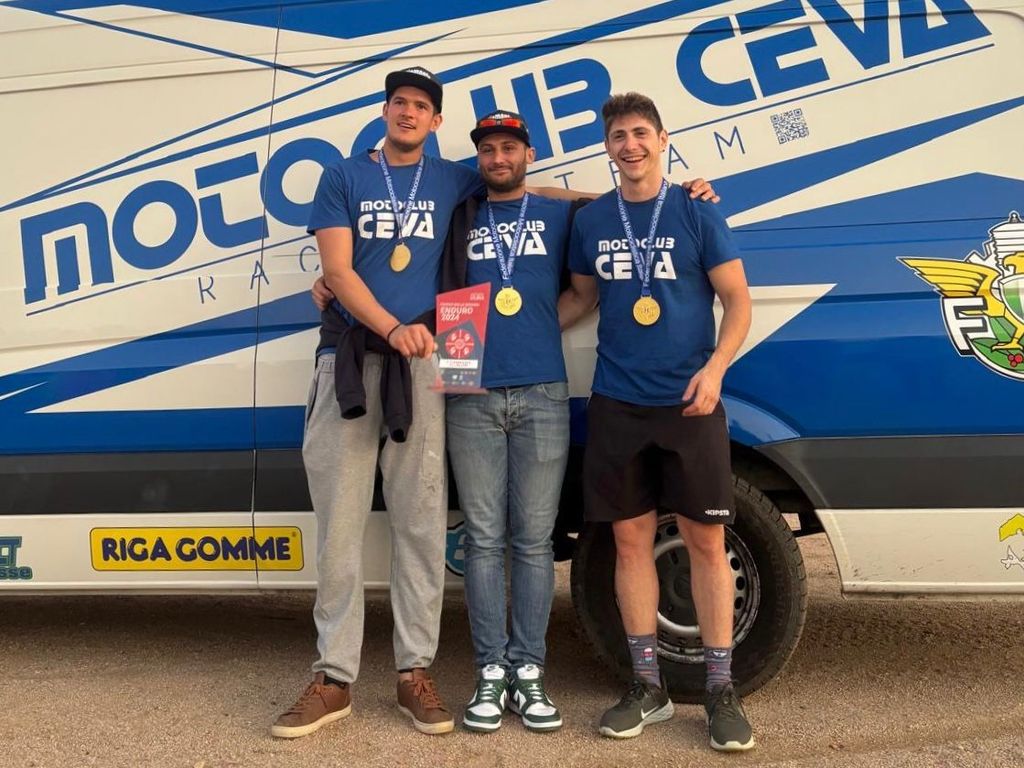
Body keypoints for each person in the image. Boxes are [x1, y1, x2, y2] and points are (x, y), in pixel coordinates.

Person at [307, 106, 718, 736]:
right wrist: (329, 279)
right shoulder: (456, 211)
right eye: (488, 150)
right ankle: (489, 672)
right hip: (468, 389)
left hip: (544, 391)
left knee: (532, 542)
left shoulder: (557, 215)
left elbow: (603, 229)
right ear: (477, 161)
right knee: (482, 539)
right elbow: (394, 255)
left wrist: (686, 189)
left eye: (510, 148)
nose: (499, 158)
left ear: (528, 155)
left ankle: (529, 670)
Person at [271, 65, 484, 739]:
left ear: (436, 120)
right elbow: (336, 270)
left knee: (420, 522)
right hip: (348, 361)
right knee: (339, 526)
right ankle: (334, 678)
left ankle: (414, 672)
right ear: (385, 110)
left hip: (421, 364)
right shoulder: (343, 176)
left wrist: (649, 191)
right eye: (399, 102)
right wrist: (390, 327)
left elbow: (528, 190)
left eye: (420, 105)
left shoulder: (452, 178)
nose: (408, 112)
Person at [560, 92, 754, 752]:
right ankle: (648, 687)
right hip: (616, 402)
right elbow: (581, 298)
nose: (631, 144)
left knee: (705, 543)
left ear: (663, 140)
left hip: (689, 402)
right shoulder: (593, 220)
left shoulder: (697, 210)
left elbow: (738, 301)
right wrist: (512, 333)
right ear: (608, 148)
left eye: (641, 132)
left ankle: (720, 691)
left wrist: (717, 369)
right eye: (619, 135)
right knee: (630, 544)